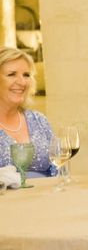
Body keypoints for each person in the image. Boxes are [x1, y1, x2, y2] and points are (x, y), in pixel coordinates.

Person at [0, 47, 54, 176]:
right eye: (12, 74)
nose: (22, 82)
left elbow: (57, 167)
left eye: (26, 75)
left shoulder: (39, 120)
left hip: (46, 195)